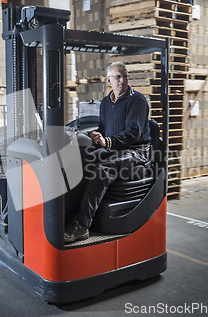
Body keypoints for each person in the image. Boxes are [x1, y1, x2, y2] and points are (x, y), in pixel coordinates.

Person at [64, 62, 151, 243]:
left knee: (103, 169)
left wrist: (108, 142)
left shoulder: (137, 101)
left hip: (136, 151)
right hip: (116, 149)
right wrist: (95, 135)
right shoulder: (105, 102)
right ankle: (67, 214)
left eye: (125, 76)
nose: (122, 81)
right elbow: (104, 129)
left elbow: (134, 133)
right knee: (84, 161)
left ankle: (82, 224)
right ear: (109, 80)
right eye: (118, 77)